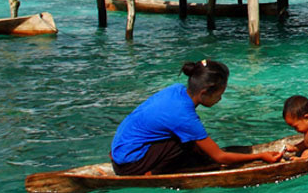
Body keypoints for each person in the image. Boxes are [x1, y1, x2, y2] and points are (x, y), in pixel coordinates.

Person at [110, 59, 281, 175]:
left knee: (192, 143)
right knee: (188, 142)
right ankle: (150, 174)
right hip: (129, 165)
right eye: (219, 94)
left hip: (120, 152)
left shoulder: (176, 90)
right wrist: (259, 156)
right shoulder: (184, 116)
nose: (220, 99)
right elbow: (220, 157)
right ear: (205, 92)